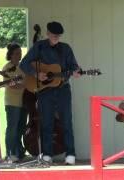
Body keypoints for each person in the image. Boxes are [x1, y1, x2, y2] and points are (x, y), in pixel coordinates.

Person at [20, 21, 81, 165]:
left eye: (58, 36)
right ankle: (47, 154)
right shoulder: (39, 47)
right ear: (47, 34)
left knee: (66, 121)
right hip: (45, 91)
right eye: (53, 35)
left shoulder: (65, 49)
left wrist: (76, 72)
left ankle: (70, 154)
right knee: (46, 122)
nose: (56, 38)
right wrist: (36, 74)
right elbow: (24, 64)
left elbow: (74, 67)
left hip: (63, 89)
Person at [2, 43, 27, 162]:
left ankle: (19, 151)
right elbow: (10, 84)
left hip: (24, 101)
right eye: (17, 53)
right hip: (12, 102)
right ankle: (10, 153)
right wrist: (24, 85)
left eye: (20, 52)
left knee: (21, 128)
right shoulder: (7, 68)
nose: (19, 55)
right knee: (12, 128)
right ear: (10, 55)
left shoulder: (22, 67)